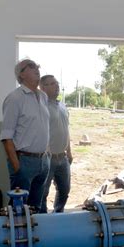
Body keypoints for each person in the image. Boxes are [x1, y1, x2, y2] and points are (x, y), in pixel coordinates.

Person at [0, 59, 50, 247]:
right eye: (32, 68)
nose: (37, 70)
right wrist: (18, 167)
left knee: (36, 210)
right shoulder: (15, 98)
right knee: (18, 214)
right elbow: (6, 137)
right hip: (24, 162)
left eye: (38, 67)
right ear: (21, 74)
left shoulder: (43, 97)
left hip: (42, 161)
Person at [40, 75, 73, 213]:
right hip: (48, 158)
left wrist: (69, 152)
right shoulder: (42, 107)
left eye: (56, 83)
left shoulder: (62, 106)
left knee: (64, 190)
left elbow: (66, 129)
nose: (57, 85)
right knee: (43, 193)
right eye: (52, 83)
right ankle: (43, 219)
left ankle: (58, 214)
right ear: (42, 88)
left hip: (63, 157)